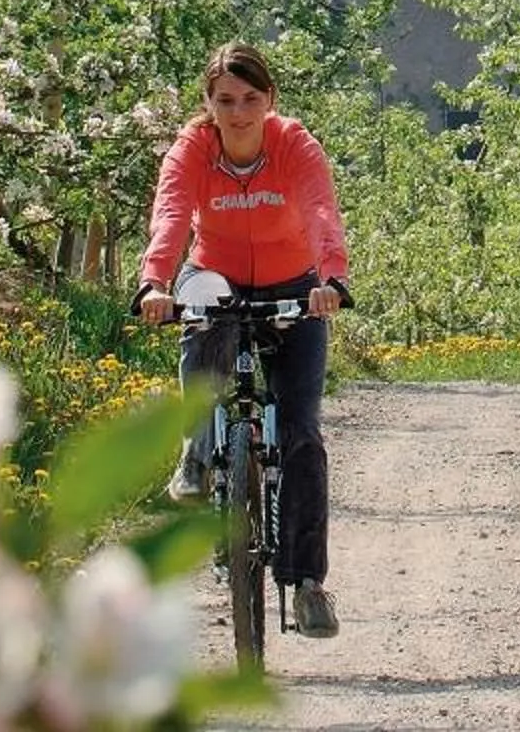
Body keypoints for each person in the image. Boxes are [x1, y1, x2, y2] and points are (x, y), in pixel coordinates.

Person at [137, 41, 353, 639]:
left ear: (270, 100)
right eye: (225, 100)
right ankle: (197, 451)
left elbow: (319, 210)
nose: (238, 112)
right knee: (200, 317)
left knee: (303, 432)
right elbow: (172, 213)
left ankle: (308, 583)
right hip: (216, 276)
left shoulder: (293, 144)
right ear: (207, 103)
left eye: (250, 99)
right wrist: (155, 281)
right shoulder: (193, 150)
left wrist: (331, 276)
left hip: (298, 285)